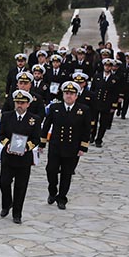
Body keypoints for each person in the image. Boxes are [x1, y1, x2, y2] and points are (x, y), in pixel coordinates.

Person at [41, 81, 90, 210]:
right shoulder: (55, 108)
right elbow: (46, 125)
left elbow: (86, 130)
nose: (69, 96)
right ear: (63, 94)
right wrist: (42, 142)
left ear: (76, 96)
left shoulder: (83, 110)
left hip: (72, 147)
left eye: (72, 94)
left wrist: (83, 147)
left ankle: (62, 198)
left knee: (66, 174)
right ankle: (52, 190)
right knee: (50, 170)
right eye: (66, 93)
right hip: (56, 146)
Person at [0, 90, 42, 224]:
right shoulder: (6, 116)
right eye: (17, 102)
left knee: (21, 187)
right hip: (8, 156)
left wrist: (27, 147)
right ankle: (6, 204)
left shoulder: (34, 119)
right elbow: (1, 134)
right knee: (3, 183)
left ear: (28, 104)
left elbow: (36, 138)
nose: (19, 105)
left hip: (24, 158)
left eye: (22, 103)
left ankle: (17, 213)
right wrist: (7, 144)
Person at [90, 58, 122, 147]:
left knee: (103, 123)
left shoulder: (115, 79)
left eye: (109, 66)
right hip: (96, 102)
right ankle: (92, 136)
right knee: (93, 121)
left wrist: (114, 106)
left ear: (111, 67)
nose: (107, 67)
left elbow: (116, 93)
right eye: (106, 66)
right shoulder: (97, 76)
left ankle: (99, 139)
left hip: (106, 104)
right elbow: (92, 90)